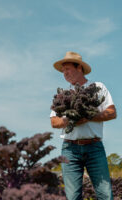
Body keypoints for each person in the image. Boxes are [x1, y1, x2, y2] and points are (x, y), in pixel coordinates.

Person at [50, 51, 117, 200]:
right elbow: (54, 121)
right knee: (73, 197)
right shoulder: (63, 94)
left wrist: (89, 117)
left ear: (79, 67)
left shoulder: (97, 88)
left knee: (105, 195)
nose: (65, 73)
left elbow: (112, 112)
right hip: (70, 150)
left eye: (67, 69)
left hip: (94, 148)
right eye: (63, 71)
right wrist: (71, 119)